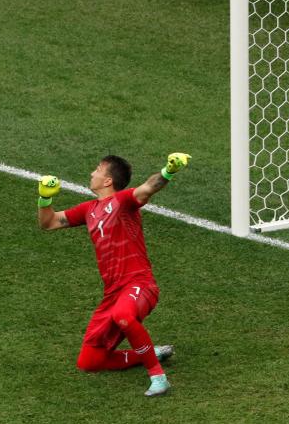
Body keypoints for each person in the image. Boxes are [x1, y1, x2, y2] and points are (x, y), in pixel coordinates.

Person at [37, 152, 191, 397]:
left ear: (108, 181)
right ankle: (149, 351)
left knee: (123, 315)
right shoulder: (88, 210)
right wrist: (45, 200)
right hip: (113, 293)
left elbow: (148, 188)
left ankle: (158, 376)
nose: (92, 173)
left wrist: (168, 171)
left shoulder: (123, 201)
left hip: (139, 284)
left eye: (98, 169)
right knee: (89, 361)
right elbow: (49, 223)